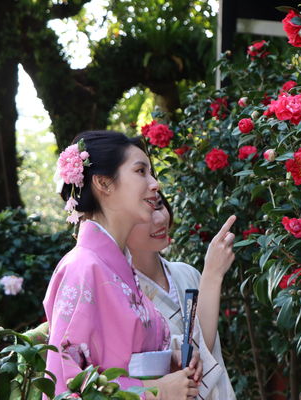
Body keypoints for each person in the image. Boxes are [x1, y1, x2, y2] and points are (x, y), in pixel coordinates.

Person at [44, 131, 202, 399]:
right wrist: (155, 391)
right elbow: (62, 386)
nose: (155, 184)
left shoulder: (117, 266)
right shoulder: (82, 268)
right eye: (141, 171)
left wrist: (169, 357)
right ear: (104, 183)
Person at [127, 190, 237, 400]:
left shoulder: (186, 273)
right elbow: (193, 358)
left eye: (159, 205)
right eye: (146, 212)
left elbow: (208, 352)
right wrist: (212, 274)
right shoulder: (121, 290)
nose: (159, 219)